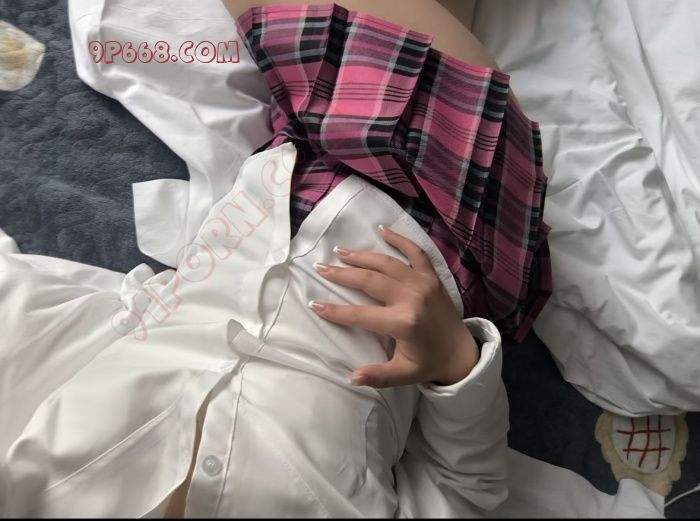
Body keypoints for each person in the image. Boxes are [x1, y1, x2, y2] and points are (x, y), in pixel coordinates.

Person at [0, 1, 550, 517]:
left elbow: (46, 318)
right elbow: (467, 490)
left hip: (284, 169)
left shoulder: (29, 476)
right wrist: (455, 362)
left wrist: (171, 299)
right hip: (453, 223)